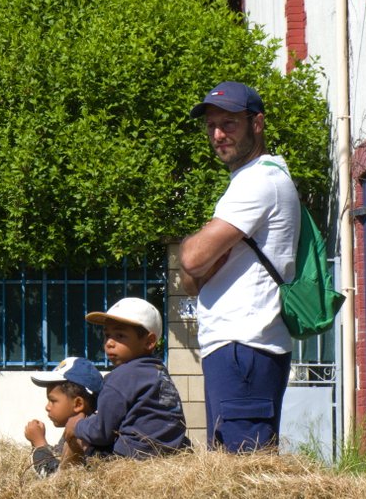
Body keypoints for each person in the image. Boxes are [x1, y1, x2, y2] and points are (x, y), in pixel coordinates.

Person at [178, 81, 300, 452]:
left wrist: (196, 252)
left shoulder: (259, 181)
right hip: (239, 347)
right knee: (230, 472)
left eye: (229, 124)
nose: (218, 134)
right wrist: (200, 261)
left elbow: (192, 260)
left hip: (243, 345)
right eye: (211, 125)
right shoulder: (252, 180)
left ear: (257, 124)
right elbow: (190, 279)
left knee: (244, 473)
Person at [61, 297, 190, 461]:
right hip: (169, 459)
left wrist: (77, 426)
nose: (109, 343)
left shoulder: (121, 377)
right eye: (107, 335)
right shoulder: (159, 372)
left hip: (133, 457)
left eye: (120, 335)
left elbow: (101, 431)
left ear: (149, 341)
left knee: (82, 441)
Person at [23, 356, 102, 476]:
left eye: (53, 401)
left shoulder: (82, 436)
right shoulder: (77, 428)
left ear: (78, 404)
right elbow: (59, 457)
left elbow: (56, 478)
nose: (47, 407)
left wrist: (40, 444)